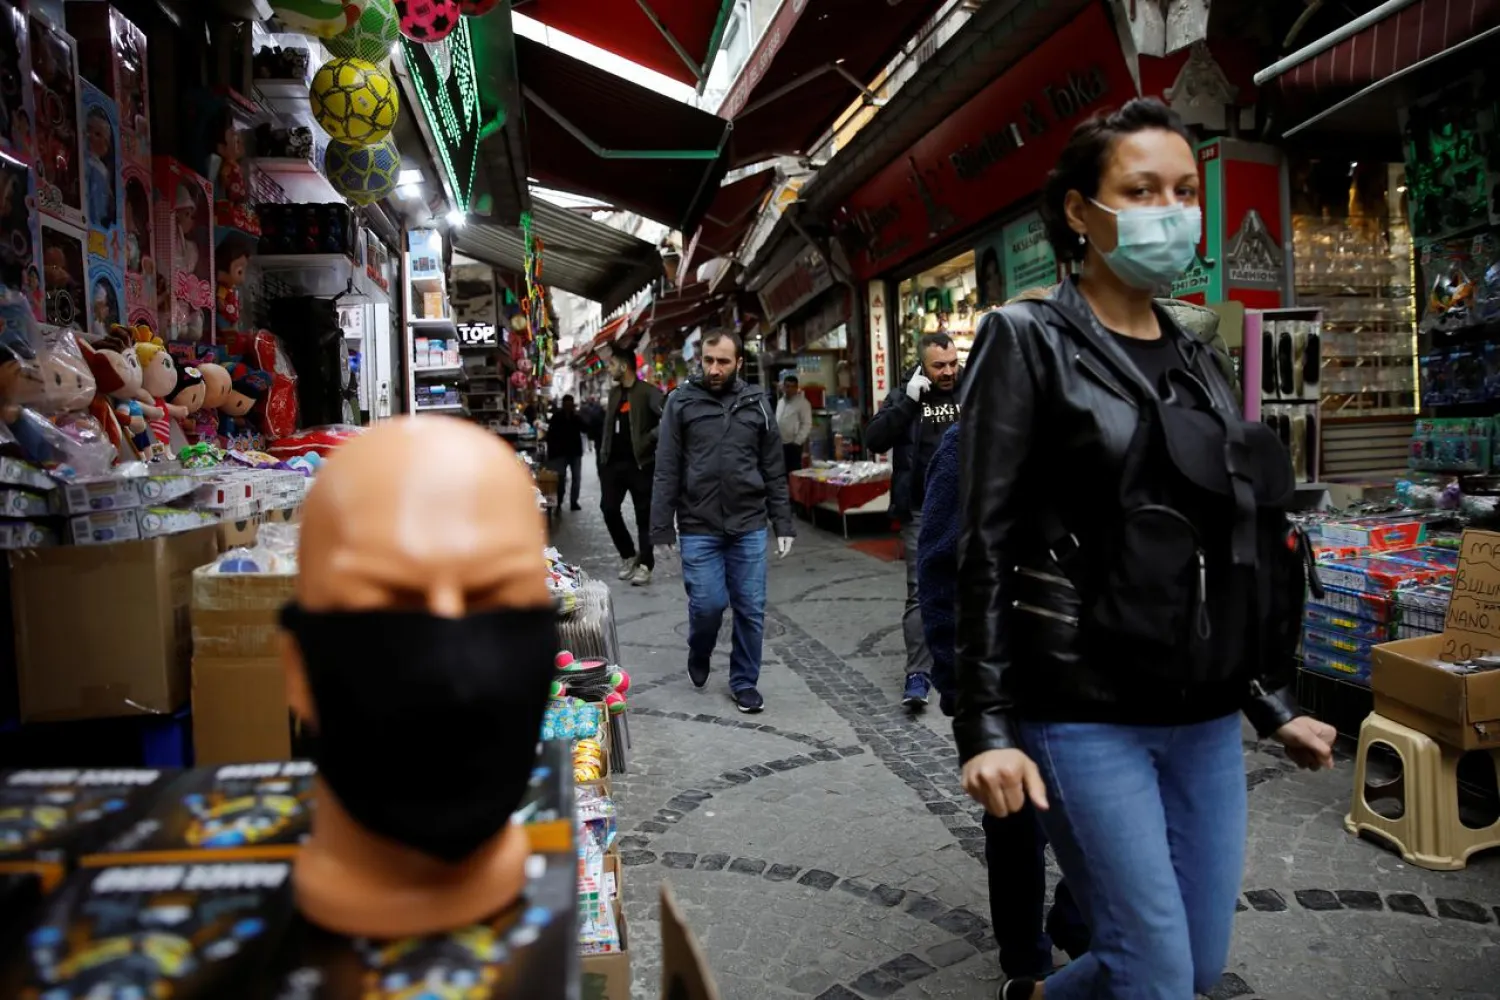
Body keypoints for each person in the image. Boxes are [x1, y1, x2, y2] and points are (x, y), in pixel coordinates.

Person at [954, 98, 1337, 1000]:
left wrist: (1269, 700)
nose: (1171, 211)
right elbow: (983, 541)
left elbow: (1228, 537)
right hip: (1083, 708)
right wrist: (986, 727)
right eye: (1141, 190)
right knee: (1156, 972)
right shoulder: (1026, 339)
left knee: (1191, 966)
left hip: (1202, 713)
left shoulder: (1199, 352)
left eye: (1183, 191)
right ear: (1080, 212)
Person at [919, 419, 1089, 981]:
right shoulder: (967, 442)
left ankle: (1076, 922)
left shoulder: (1108, 426)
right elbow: (939, 569)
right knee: (1015, 823)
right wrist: (959, 686)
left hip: (1095, 672)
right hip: (1008, 675)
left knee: (1100, 812)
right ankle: (1024, 963)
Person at [650, 330, 795, 715]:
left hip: (749, 524)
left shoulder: (757, 402)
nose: (714, 369)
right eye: (709, 360)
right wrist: (661, 527)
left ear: (739, 363)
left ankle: (744, 681)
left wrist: (783, 523)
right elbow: (667, 467)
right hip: (698, 524)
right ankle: (700, 650)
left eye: (723, 362)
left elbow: (773, 468)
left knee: (750, 608)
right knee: (708, 605)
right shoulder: (681, 401)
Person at [865, 331, 962, 710]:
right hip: (922, 508)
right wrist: (907, 402)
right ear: (923, 364)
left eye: (952, 364)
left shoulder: (973, 388)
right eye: (939, 366)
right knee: (921, 590)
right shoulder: (905, 394)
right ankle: (918, 673)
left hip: (972, 505)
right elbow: (875, 439)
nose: (948, 372)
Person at [599, 353, 664, 586]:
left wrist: (650, 438)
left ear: (624, 366)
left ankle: (646, 564)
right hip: (613, 464)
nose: (609, 368)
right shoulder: (614, 393)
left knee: (643, 516)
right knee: (608, 509)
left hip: (640, 464)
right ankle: (628, 554)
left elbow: (669, 416)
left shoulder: (647, 392)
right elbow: (608, 428)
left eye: (612, 364)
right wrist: (603, 457)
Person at [544, 394, 585, 511]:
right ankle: (559, 501)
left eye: (570, 405)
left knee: (576, 478)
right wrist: (552, 453)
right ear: (563, 405)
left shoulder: (576, 417)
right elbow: (551, 435)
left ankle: (573, 501)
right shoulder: (557, 417)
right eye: (567, 404)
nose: (568, 407)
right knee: (561, 479)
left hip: (574, 452)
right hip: (561, 453)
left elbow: (585, 428)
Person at [775, 371, 812, 480]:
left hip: (793, 444)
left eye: (792, 387)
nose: (789, 389)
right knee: (781, 473)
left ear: (796, 388)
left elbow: (807, 424)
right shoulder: (781, 402)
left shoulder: (803, 403)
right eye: (787, 386)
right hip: (780, 443)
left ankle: (793, 491)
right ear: (783, 387)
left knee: (793, 473)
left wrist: (798, 441)